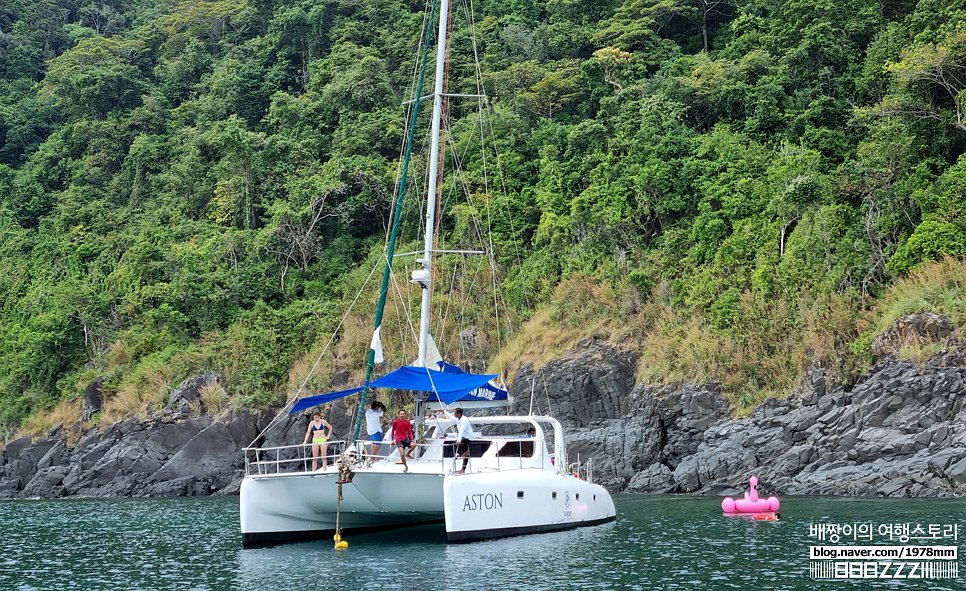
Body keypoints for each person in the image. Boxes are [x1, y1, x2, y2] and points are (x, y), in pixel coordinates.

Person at [454, 408, 473, 474]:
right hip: (463, 437)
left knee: (455, 444)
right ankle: (463, 469)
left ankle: (465, 452)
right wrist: (444, 411)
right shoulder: (458, 419)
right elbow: (450, 418)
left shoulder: (464, 420)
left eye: (455, 413)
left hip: (468, 438)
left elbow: (461, 430)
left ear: (459, 414)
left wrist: (458, 441)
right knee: (465, 455)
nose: (454, 414)